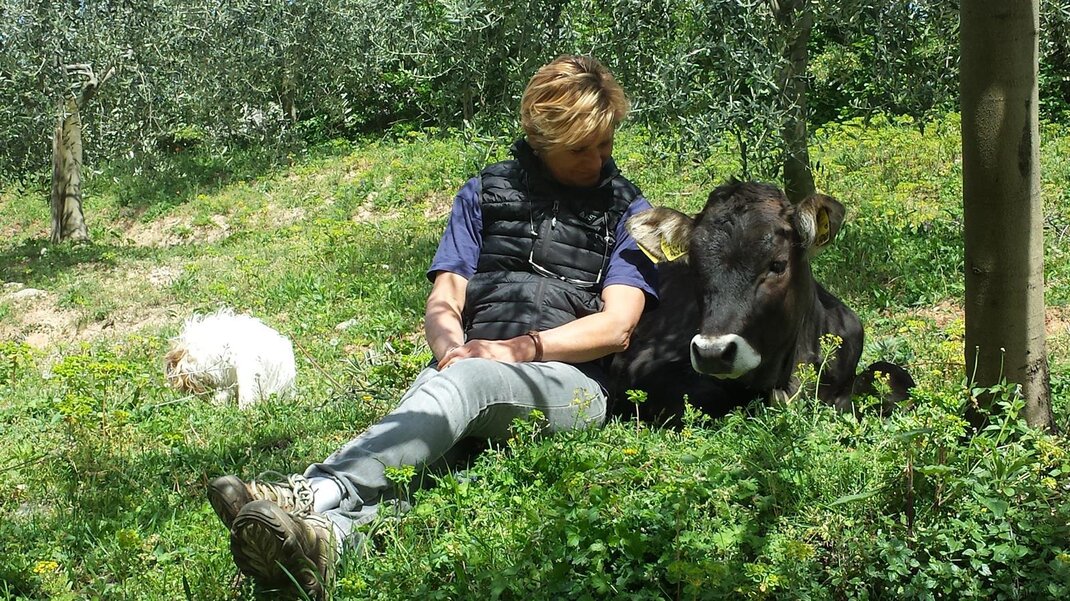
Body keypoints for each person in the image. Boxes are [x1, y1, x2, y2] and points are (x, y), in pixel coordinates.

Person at [206, 54, 658, 598]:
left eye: (605, 144)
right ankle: (322, 543)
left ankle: (309, 492)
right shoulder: (484, 193)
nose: (598, 160)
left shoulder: (629, 211)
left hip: (572, 384)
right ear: (542, 138)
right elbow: (446, 295)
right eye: (580, 148)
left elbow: (617, 326)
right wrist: (449, 351)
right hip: (472, 367)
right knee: (432, 453)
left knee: (462, 386)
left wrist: (511, 350)